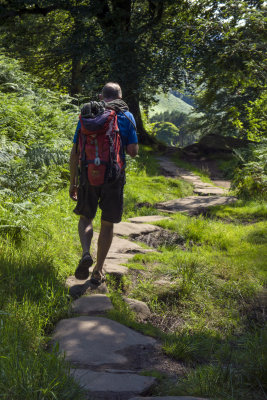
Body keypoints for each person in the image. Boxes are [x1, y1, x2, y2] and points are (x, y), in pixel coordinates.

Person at [69, 82, 138, 285]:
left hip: (88, 174)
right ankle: (98, 270)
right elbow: (133, 151)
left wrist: (73, 182)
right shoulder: (127, 116)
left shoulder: (88, 114)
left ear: (101, 96)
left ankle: (85, 253)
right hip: (113, 177)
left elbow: (75, 153)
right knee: (107, 224)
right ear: (120, 96)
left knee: (85, 218)